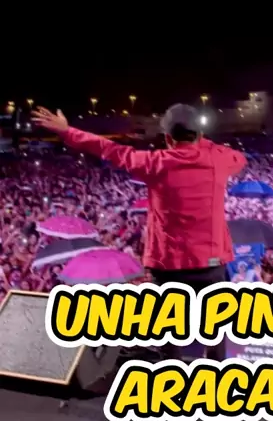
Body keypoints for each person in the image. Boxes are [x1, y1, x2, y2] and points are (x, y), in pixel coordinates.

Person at [33, 104, 247, 361]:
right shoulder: (218, 159)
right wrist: (201, 143)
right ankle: (216, 373)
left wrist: (67, 131)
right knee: (215, 325)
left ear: (167, 138)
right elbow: (239, 157)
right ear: (199, 135)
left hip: (169, 265)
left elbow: (108, 149)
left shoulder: (155, 163)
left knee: (170, 330)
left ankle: (172, 376)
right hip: (210, 262)